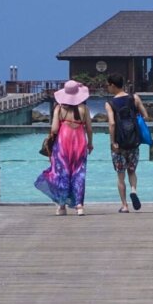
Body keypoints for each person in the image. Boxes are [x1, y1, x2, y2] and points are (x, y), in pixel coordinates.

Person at [35, 79, 93, 215]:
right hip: (79, 141)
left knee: (62, 173)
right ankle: (79, 206)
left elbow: (54, 129)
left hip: (63, 142)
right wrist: (90, 143)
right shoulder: (84, 109)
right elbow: (89, 129)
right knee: (79, 172)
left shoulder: (59, 108)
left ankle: (61, 206)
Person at [104, 74, 149, 213]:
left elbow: (112, 123)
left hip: (119, 143)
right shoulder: (134, 98)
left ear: (112, 85)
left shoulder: (110, 103)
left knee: (120, 175)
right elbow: (145, 115)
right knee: (132, 171)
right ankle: (134, 191)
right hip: (134, 141)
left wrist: (113, 142)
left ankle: (124, 205)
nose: (107, 88)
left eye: (108, 85)